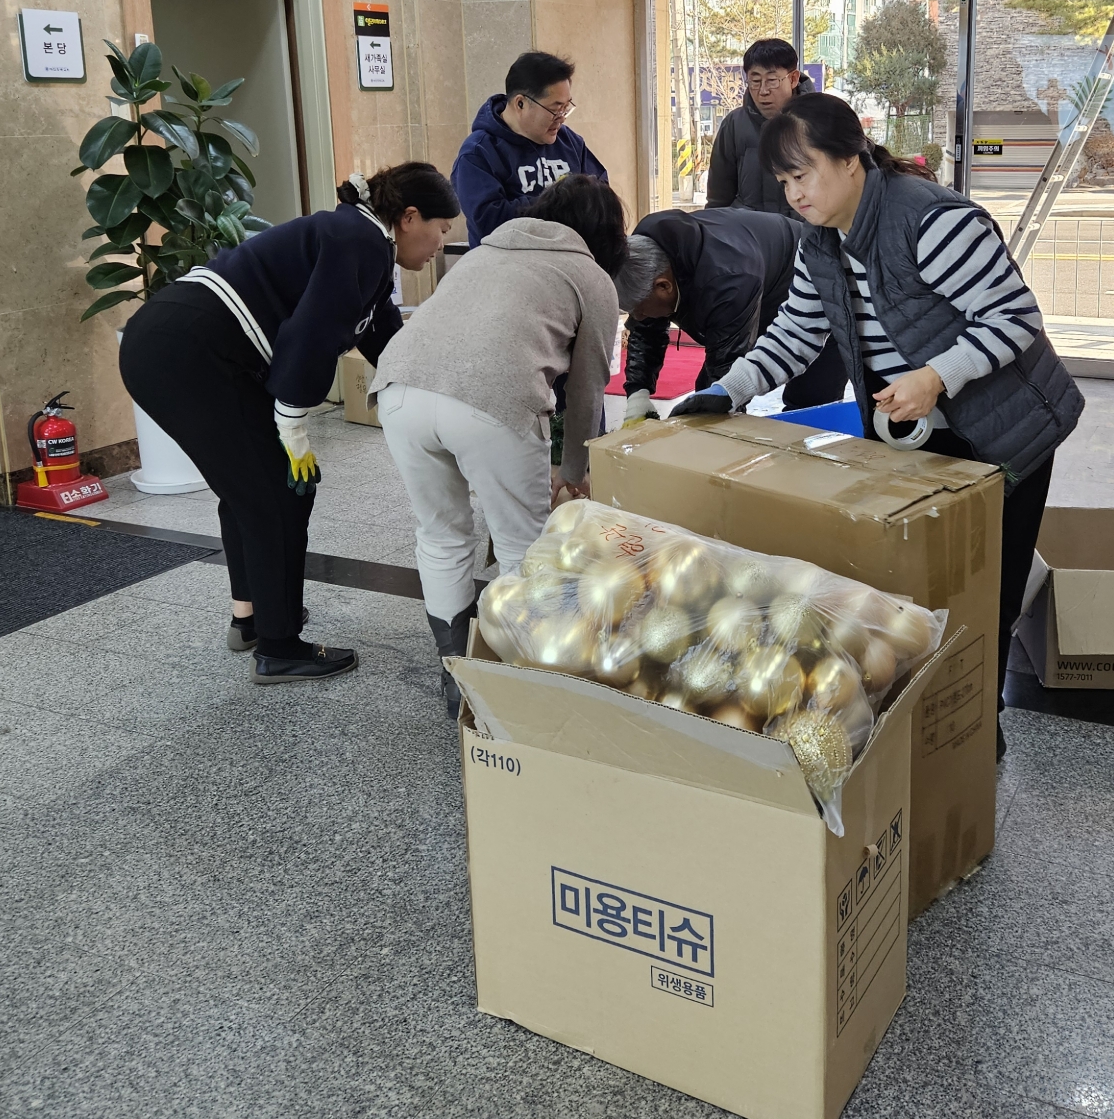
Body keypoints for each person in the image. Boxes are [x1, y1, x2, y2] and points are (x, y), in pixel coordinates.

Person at [671, 93, 1084, 755]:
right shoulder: (819, 243)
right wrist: (727, 390)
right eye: (783, 180)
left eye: (802, 174)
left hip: (1004, 430)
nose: (793, 194)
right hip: (915, 435)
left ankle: (976, 731)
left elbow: (1014, 317)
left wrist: (935, 376)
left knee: (987, 590)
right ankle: (922, 716)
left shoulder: (932, 221)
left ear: (850, 158)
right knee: (915, 584)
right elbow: (797, 334)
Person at [120, 162, 460, 684]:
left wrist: (442, 392)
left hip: (176, 345)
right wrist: (293, 425)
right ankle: (279, 648)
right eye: (442, 229)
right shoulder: (361, 239)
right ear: (410, 217)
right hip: (189, 350)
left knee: (253, 488)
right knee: (279, 492)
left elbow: (385, 338)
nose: (441, 244)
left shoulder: (364, 239)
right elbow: (312, 333)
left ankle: (252, 619)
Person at [370, 173, 626, 715]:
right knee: (523, 546)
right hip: (492, 403)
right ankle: (523, 680)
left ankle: (456, 675)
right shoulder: (590, 276)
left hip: (398, 391)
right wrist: (573, 470)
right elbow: (587, 390)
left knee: (440, 535)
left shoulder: (482, 253)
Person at [612, 208, 845, 426]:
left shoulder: (728, 280)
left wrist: (718, 414)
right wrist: (638, 392)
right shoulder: (644, 255)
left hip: (818, 287)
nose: (637, 316)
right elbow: (646, 330)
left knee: (811, 406)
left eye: (639, 309)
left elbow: (727, 367)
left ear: (664, 286)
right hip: (755, 279)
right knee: (707, 397)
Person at [453, 51, 608, 246]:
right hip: (509, 261)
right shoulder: (478, 153)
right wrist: (561, 202)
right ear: (520, 103)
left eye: (566, 108)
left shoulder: (569, 141)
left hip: (570, 257)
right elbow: (491, 222)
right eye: (555, 109)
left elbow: (601, 197)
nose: (561, 118)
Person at [705, 38, 813, 216]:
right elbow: (718, 198)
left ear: (793, 79)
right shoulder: (734, 124)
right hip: (747, 228)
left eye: (772, 80)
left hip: (803, 228)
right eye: (755, 81)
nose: (763, 91)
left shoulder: (818, 120)